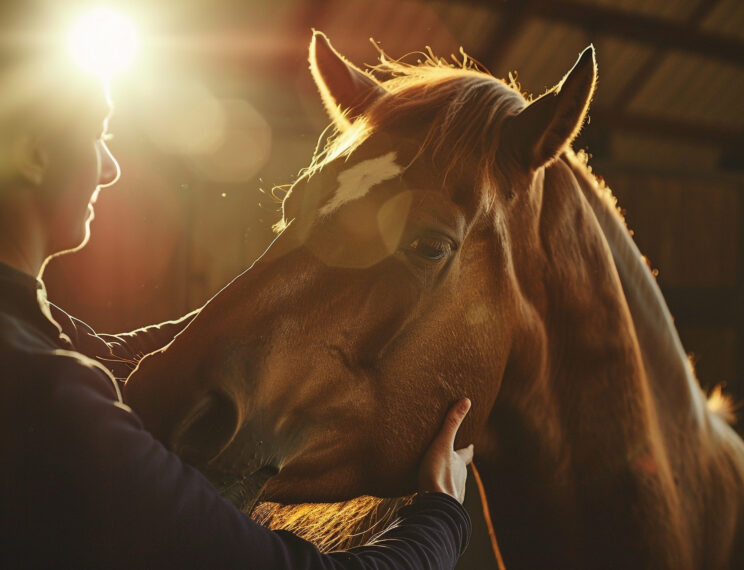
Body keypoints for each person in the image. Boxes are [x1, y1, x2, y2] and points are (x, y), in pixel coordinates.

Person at [0, 6, 473, 569]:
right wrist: (441, 512)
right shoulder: (53, 400)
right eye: (99, 135)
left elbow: (106, 351)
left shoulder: (27, 344)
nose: (109, 168)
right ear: (32, 154)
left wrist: (282, 292)